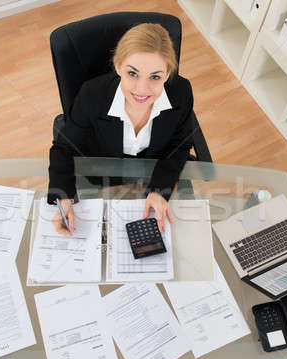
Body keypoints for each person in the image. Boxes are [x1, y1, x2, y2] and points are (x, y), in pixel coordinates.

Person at [47, 22, 196, 234]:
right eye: (132, 74)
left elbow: (179, 146)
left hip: (154, 172)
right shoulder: (92, 94)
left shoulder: (181, 92)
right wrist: (63, 197)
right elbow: (63, 148)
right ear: (118, 66)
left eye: (155, 76)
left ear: (168, 72)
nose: (142, 90)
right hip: (101, 176)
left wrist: (159, 191)